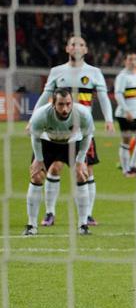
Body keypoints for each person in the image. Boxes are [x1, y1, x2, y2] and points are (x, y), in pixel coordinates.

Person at [31, 35, 113, 227]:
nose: (77, 47)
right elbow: (45, 96)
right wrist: (34, 117)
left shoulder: (94, 72)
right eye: (73, 44)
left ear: (85, 50)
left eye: (81, 45)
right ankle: (50, 212)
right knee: (54, 167)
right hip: (58, 130)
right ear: (67, 48)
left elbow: (103, 97)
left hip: (82, 130)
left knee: (86, 170)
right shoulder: (57, 71)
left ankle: (88, 215)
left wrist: (109, 119)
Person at [26, 89, 96, 236]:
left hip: (72, 144)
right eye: (61, 104)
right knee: (36, 176)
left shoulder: (82, 114)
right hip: (47, 143)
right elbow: (36, 136)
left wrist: (80, 160)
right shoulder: (41, 114)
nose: (65, 109)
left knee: (81, 175)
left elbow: (87, 135)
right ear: (53, 104)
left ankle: (83, 225)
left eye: (68, 104)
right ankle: (31, 225)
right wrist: (38, 160)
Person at [113, 52, 136, 177]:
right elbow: (118, 94)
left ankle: (133, 166)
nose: (133, 62)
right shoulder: (122, 76)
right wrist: (126, 110)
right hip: (125, 114)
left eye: (135, 59)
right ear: (125, 61)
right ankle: (126, 170)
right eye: (130, 59)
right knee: (127, 140)